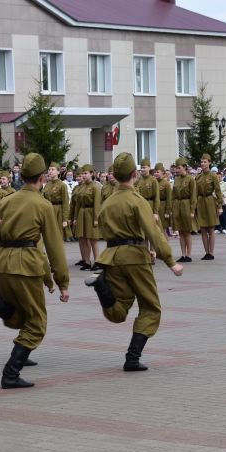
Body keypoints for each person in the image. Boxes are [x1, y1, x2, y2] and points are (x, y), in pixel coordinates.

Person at [0, 152, 69, 389]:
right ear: (42, 177)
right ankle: (11, 373)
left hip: (3, 263)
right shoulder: (43, 205)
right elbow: (54, 247)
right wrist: (62, 281)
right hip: (27, 265)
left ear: (22, 175)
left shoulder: (5, 201)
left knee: (22, 314)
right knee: (37, 323)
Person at [85, 152, 184, 371]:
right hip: (135, 257)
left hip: (111, 257)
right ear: (134, 174)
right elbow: (154, 232)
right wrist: (171, 261)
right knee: (150, 307)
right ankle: (132, 357)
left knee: (119, 309)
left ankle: (102, 288)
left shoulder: (108, 201)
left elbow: (102, 228)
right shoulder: (137, 200)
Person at [68, 164, 101, 270]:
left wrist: (96, 219)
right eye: (82, 173)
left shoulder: (95, 187)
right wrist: (76, 218)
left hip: (91, 213)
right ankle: (86, 262)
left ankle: (97, 261)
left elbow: (97, 204)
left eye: (86, 173)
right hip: (82, 213)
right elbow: (77, 204)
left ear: (92, 174)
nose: (83, 175)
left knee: (93, 239)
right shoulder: (81, 187)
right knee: (82, 238)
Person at [194, 154, 222, 260]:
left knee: (211, 228)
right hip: (201, 202)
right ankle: (206, 252)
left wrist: (220, 206)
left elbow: (218, 191)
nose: (203, 164)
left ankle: (211, 252)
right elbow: (195, 193)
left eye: (205, 162)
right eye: (201, 162)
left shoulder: (213, 176)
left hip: (210, 201)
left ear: (209, 163)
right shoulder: (198, 177)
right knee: (203, 228)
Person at [171, 159, 197, 262]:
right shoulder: (176, 179)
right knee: (180, 231)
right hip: (178, 204)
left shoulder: (190, 179)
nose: (177, 170)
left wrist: (192, 210)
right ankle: (183, 254)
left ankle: (189, 255)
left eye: (179, 168)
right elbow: (173, 194)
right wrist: (173, 208)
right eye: (176, 168)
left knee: (187, 231)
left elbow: (193, 196)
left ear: (184, 167)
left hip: (186, 204)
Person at [42, 164, 70, 243]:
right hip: (49, 211)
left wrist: (65, 219)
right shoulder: (47, 185)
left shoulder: (62, 185)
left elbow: (65, 202)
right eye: (49, 170)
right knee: (49, 237)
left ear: (58, 172)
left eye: (53, 169)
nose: (50, 171)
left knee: (58, 237)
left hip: (58, 211)